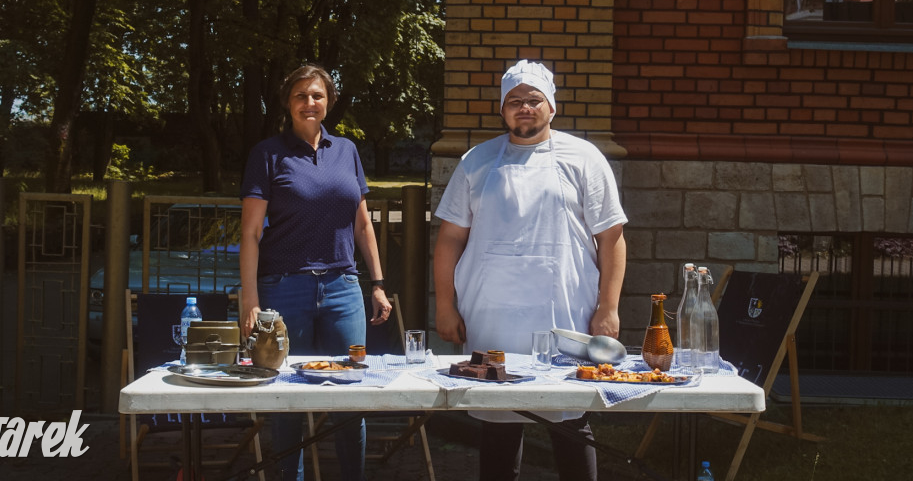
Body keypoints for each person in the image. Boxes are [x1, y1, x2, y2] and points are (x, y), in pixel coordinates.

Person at [433, 59, 628, 481]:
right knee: (498, 421)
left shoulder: (585, 159)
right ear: (503, 110)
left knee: (569, 421)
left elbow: (611, 238)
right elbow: (449, 239)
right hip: (491, 314)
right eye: (515, 101)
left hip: (565, 313)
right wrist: (445, 307)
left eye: (534, 99)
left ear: (551, 107)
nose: (525, 107)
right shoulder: (476, 161)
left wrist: (607, 308)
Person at [239, 64, 392, 481]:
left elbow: (362, 224)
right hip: (283, 292)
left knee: (350, 400)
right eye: (301, 96)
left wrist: (377, 284)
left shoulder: (348, 151)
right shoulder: (267, 154)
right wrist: (249, 300)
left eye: (317, 95)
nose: (310, 103)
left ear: (329, 102)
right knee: (287, 401)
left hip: (343, 290)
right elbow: (251, 233)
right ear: (288, 104)